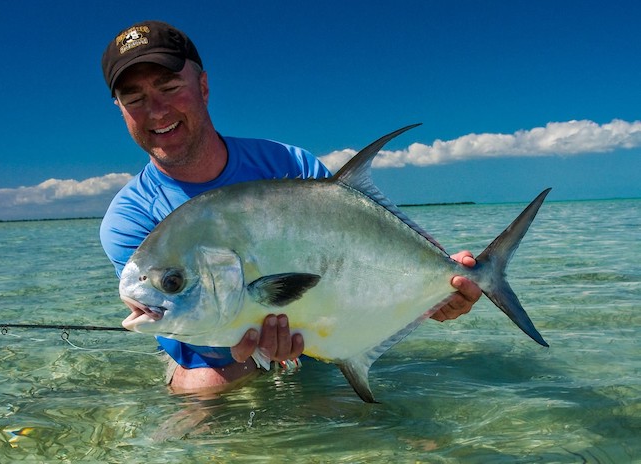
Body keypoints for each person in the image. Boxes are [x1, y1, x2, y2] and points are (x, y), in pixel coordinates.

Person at [100, 20, 482, 393]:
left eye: (169, 86)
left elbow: (360, 252)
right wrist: (247, 349)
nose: (157, 110)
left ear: (203, 86)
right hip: (215, 351)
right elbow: (181, 327)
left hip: (326, 325)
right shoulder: (128, 218)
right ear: (120, 108)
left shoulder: (289, 165)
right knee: (204, 388)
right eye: (135, 98)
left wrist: (436, 289)